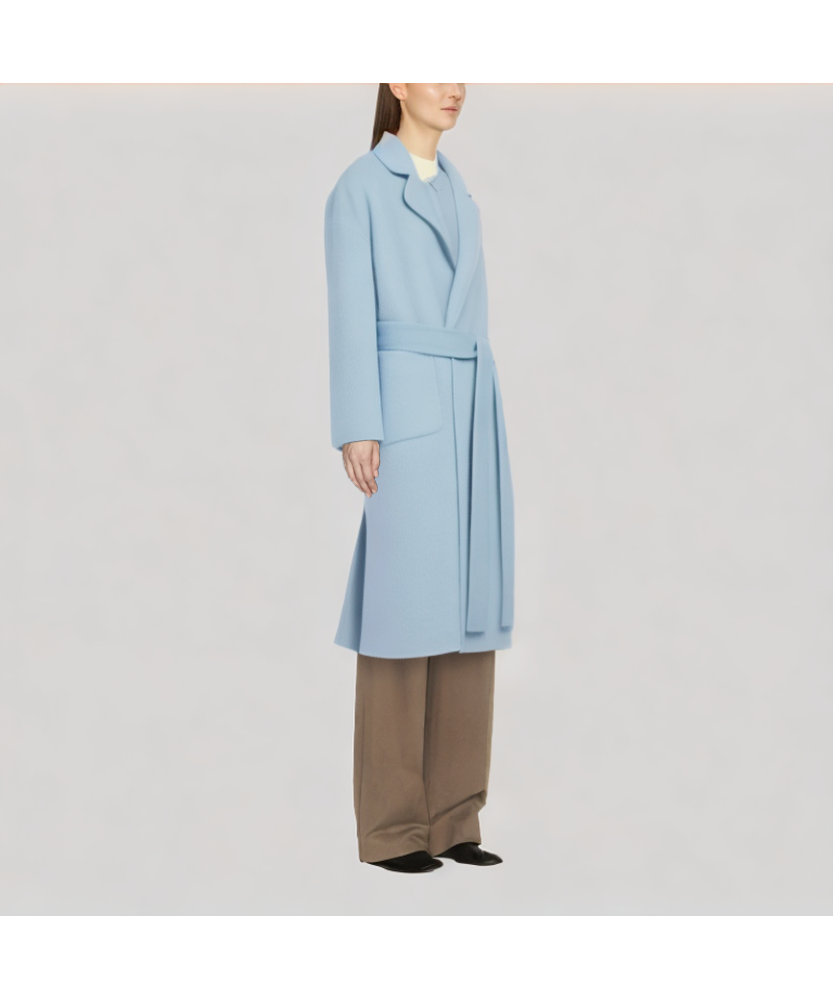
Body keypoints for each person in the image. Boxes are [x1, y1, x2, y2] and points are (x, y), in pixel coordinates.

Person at [324, 84, 515, 874]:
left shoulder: (460, 191)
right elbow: (348, 309)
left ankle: (453, 815)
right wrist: (357, 422)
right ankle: (393, 827)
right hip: (403, 411)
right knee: (402, 612)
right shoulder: (360, 188)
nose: (452, 86)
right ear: (396, 83)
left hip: (470, 407)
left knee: (470, 609)